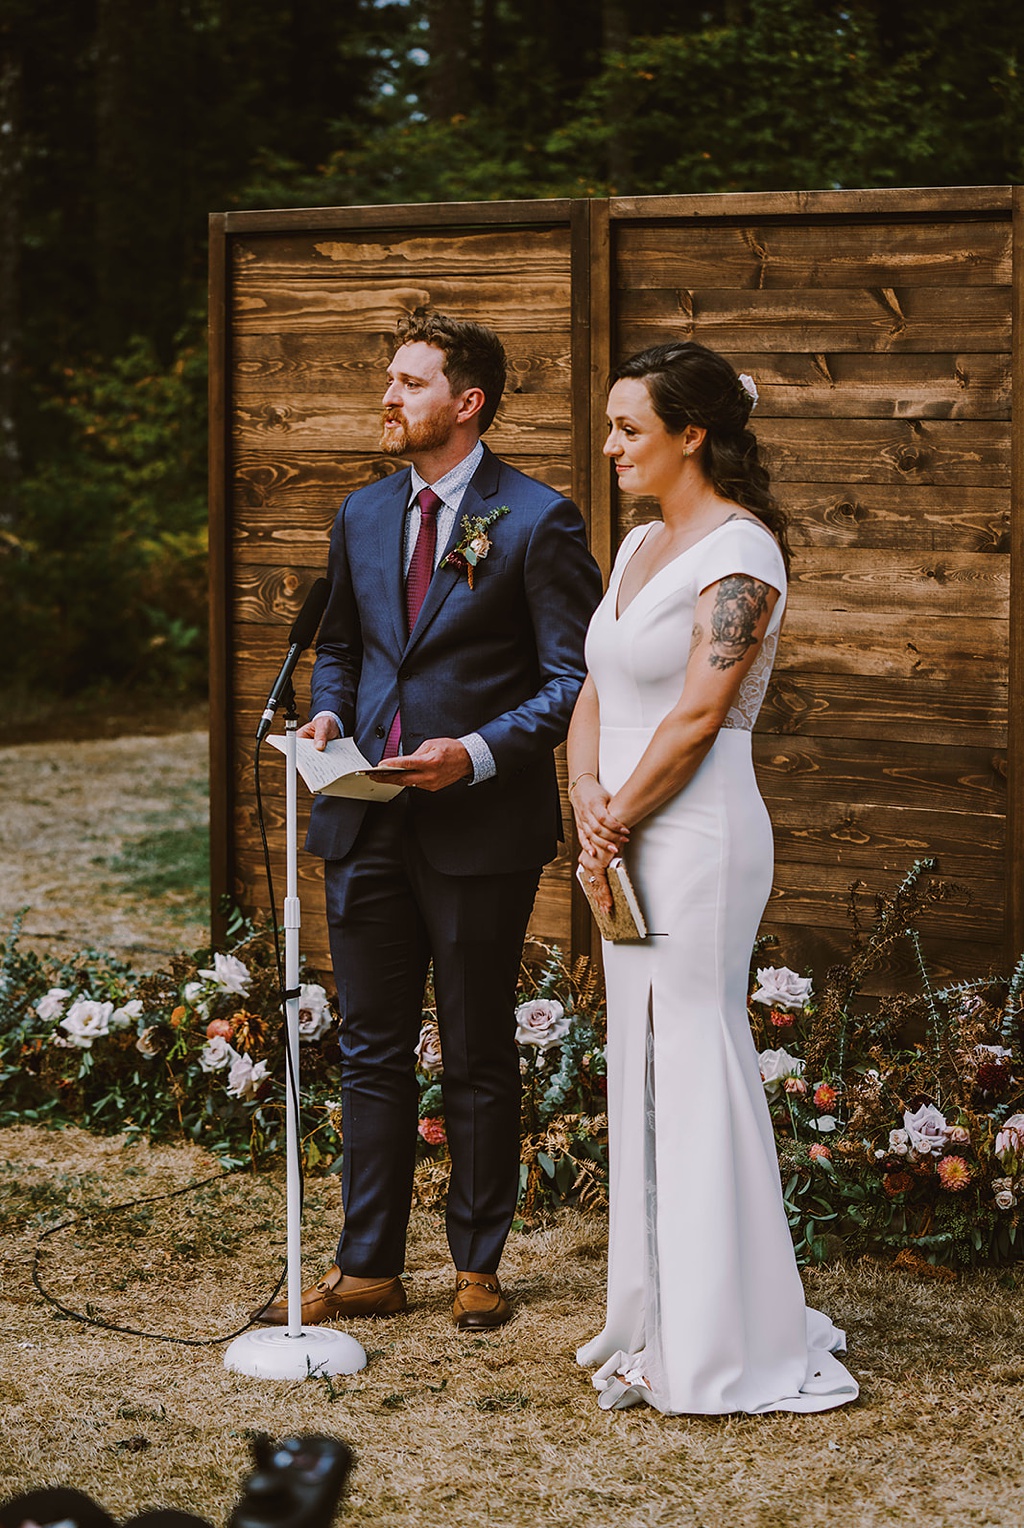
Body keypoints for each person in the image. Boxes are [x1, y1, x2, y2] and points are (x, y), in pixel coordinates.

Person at [256, 312, 602, 1331]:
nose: (388, 397)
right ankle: (366, 1265)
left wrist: (475, 753)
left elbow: (572, 681)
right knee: (369, 1048)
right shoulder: (362, 515)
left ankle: (475, 1262)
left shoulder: (538, 521)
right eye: (389, 380)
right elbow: (346, 648)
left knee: (477, 1046)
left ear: (467, 402)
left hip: (476, 827)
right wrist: (329, 709)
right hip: (362, 819)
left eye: (409, 382)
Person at [569, 340, 858, 1414]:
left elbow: (695, 714)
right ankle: (652, 1314)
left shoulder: (744, 554)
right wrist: (585, 791)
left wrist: (620, 819)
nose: (609, 446)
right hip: (622, 823)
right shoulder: (640, 544)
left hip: (695, 835)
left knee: (695, 1052)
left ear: (692, 434)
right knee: (639, 1060)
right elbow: (596, 684)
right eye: (609, 426)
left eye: (628, 428)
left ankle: (726, 1335)